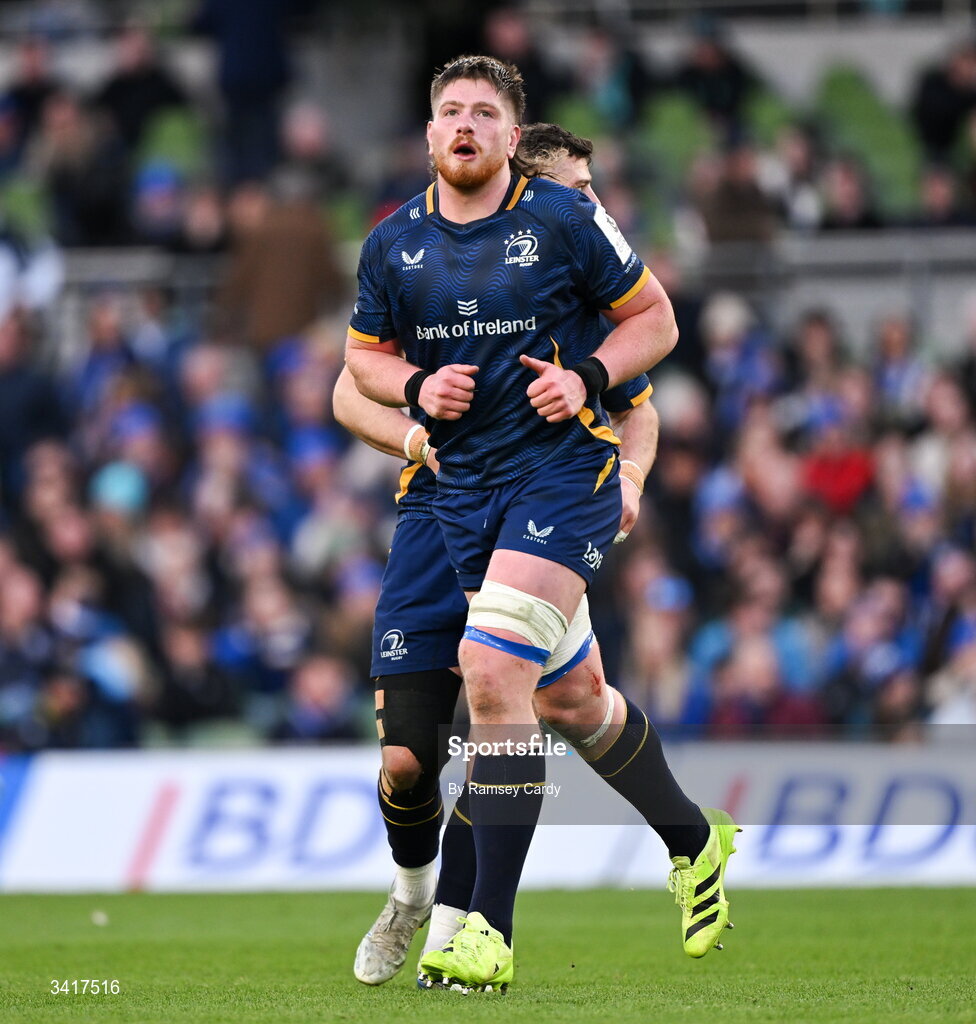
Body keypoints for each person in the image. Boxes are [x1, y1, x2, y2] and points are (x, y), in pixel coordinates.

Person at [343, 64, 737, 991]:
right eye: (452, 113)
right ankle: (683, 839)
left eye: (485, 114)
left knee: (495, 678)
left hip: (558, 486)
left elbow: (641, 372)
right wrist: (410, 412)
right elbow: (349, 378)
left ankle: (478, 929)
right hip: (444, 505)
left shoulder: (571, 255)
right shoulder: (397, 245)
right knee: (496, 726)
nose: (596, 206)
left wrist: (617, 444)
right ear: (433, 133)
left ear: (514, 142)